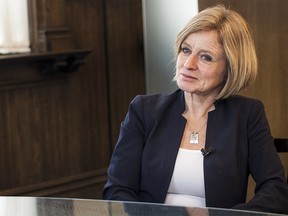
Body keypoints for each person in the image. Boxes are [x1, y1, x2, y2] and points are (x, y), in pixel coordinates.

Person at [103, 4, 288, 214]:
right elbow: (117, 190)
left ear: (231, 67)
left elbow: (276, 192)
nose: (188, 64)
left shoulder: (247, 115)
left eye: (205, 57)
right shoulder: (144, 110)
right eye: (186, 50)